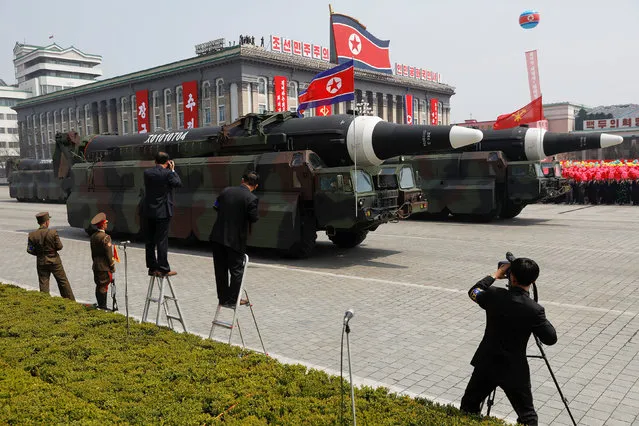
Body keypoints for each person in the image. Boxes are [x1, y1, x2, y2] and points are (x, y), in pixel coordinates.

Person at [460, 257, 557, 426]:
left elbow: (474, 291)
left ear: (510, 277)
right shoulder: (534, 309)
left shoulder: (493, 295)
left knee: (469, 406)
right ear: (534, 280)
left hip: (487, 362)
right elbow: (550, 338)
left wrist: (495, 275)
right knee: (527, 416)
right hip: (514, 368)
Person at [209, 172, 260, 306]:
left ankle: (223, 299)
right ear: (256, 186)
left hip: (217, 237)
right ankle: (233, 300)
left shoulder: (225, 191)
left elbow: (216, 206)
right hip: (235, 240)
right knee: (236, 271)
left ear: (242, 180)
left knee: (220, 270)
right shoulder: (252, 198)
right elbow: (253, 218)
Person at [143, 152, 182, 276]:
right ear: (168, 162)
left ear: (155, 161)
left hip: (149, 211)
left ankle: (152, 267)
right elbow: (178, 183)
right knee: (161, 241)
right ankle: (163, 268)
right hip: (163, 212)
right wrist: (173, 170)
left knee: (149, 241)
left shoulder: (147, 173)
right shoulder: (168, 174)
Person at [27, 212, 75, 301]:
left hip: (41, 261)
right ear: (47, 222)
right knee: (62, 282)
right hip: (54, 261)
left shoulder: (32, 235)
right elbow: (59, 247)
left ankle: (45, 303)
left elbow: (29, 250)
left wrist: (40, 253)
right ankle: (70, 301)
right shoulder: (53, 233)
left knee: (43, 283)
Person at [90, 212, 115, 309]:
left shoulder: (93, 236)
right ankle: (103, 306)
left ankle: (100, 304)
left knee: (98, 285)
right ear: (103, 225)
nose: (106, 225)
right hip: (104, 267)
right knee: (103, 286)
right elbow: (109, 255)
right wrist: (112, 266)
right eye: (106, 223)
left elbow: (93, 253)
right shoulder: (106, 237)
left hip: (96, 265)